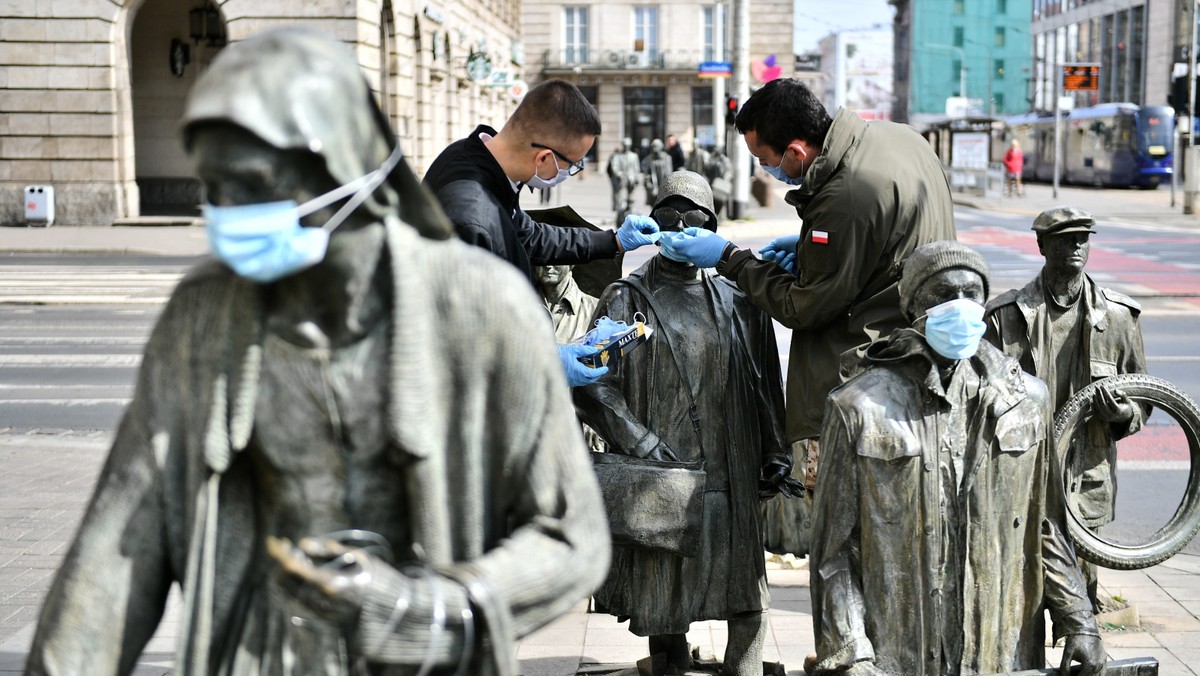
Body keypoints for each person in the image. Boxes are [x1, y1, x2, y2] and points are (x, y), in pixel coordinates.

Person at [25, 29, 611, 676]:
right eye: (211, 187)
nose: (221, 212)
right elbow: (116, 549)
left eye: (246, 185)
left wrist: (431, 612)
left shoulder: (480, 307)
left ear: (340, 172)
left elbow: (572, 537)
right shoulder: (204, 317)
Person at [809, 241, 1104, 676]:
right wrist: (852, 651)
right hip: (902, 648)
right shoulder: (858, 406)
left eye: (972, 294)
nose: (961, 306)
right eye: (944, 294)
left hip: (1000, 646)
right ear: (913, 309)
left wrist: (1079, 621)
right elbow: (834, 552)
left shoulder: (1027, 401)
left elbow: (1047, 525)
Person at [661, 77, 956, 496]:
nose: (766, 171)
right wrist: (809, 251)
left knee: (847, 531)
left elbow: (805, 307)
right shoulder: (899, 137)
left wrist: (730, 258)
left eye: (765, 160)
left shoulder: (847, 193)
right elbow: (885, 242)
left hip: (870, 382)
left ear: (796, 152)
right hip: (924, 363)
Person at [575, 171, 790, 676]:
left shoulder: (740, 301)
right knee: (665, 595)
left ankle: (746, 667)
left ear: (711, 227)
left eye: (693, 219)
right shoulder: (626, 298)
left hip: (730, 465)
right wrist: (641, 441)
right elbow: (592, 383)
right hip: (664, 469)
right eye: (668, 216)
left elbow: (765, 382)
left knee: (744, 591)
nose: (679, 227)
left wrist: (775, 450)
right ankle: (667, 661)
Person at [422, 79, 661, 387]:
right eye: (572, 165)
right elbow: (460, 339)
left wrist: (613, 241)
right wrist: (543, 360)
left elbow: (529, 236)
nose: (570, 174)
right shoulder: (472, 219)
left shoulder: (478, 163)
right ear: (545, 158)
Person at [984, 206, 1147, 613]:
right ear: (1041, 245)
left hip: (1086, 473)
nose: (1076, 245)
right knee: (1022, 591)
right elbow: (978, 404)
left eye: (1083, 238)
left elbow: (1144, 400)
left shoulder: (1118, 317)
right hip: (1025, 471)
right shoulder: (1005, 317)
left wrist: (1122, 414)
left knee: (1082, 595)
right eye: (1064, 238)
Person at [534, 264, 598, 343]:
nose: (548, 266)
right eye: (543, 257)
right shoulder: (520, 307)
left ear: (572, 263)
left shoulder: (595, 310)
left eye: (555, 258)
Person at [606, 138, 640, 224]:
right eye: (625, 146)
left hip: (631, 179)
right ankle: (619, 216)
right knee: (619, 198)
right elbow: (614, 167)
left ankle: (630, 214)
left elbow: (636, 168)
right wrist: (619, 174)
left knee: (631, 197)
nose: (626, 147)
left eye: (628, 146)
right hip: (620, 179)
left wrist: (635, 177)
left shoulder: (634, 156)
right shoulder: (617, 156)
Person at [641, 139, 673, 207]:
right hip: (653, 187)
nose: (655, 149)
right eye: (653, 147)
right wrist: (648, 183)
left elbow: (669, 173)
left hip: (663, 186)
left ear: (661, 147)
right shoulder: (648, 158)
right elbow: (646, 172)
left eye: (657, 146)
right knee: (653, 206)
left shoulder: (667, 158)